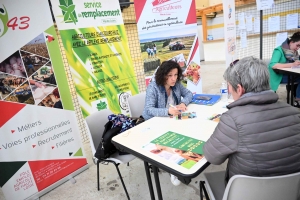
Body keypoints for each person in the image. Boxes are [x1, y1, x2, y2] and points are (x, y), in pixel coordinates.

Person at [203, 56, 300, 184]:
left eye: (230, 88)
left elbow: (212, 156)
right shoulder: (295, 113)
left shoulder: (232, 120)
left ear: (239, 89)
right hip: (290, 191)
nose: (230, 92)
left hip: (246, 193)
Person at [269, 31, 300, 106]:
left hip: (290, 75)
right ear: (291, 42)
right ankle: (298, 100)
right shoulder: (279, 50)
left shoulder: (294, 53)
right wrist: (292, 64)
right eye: (297, 45)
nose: (298, 48)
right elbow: (273, 65)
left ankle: (297, 98)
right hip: (279, 76)